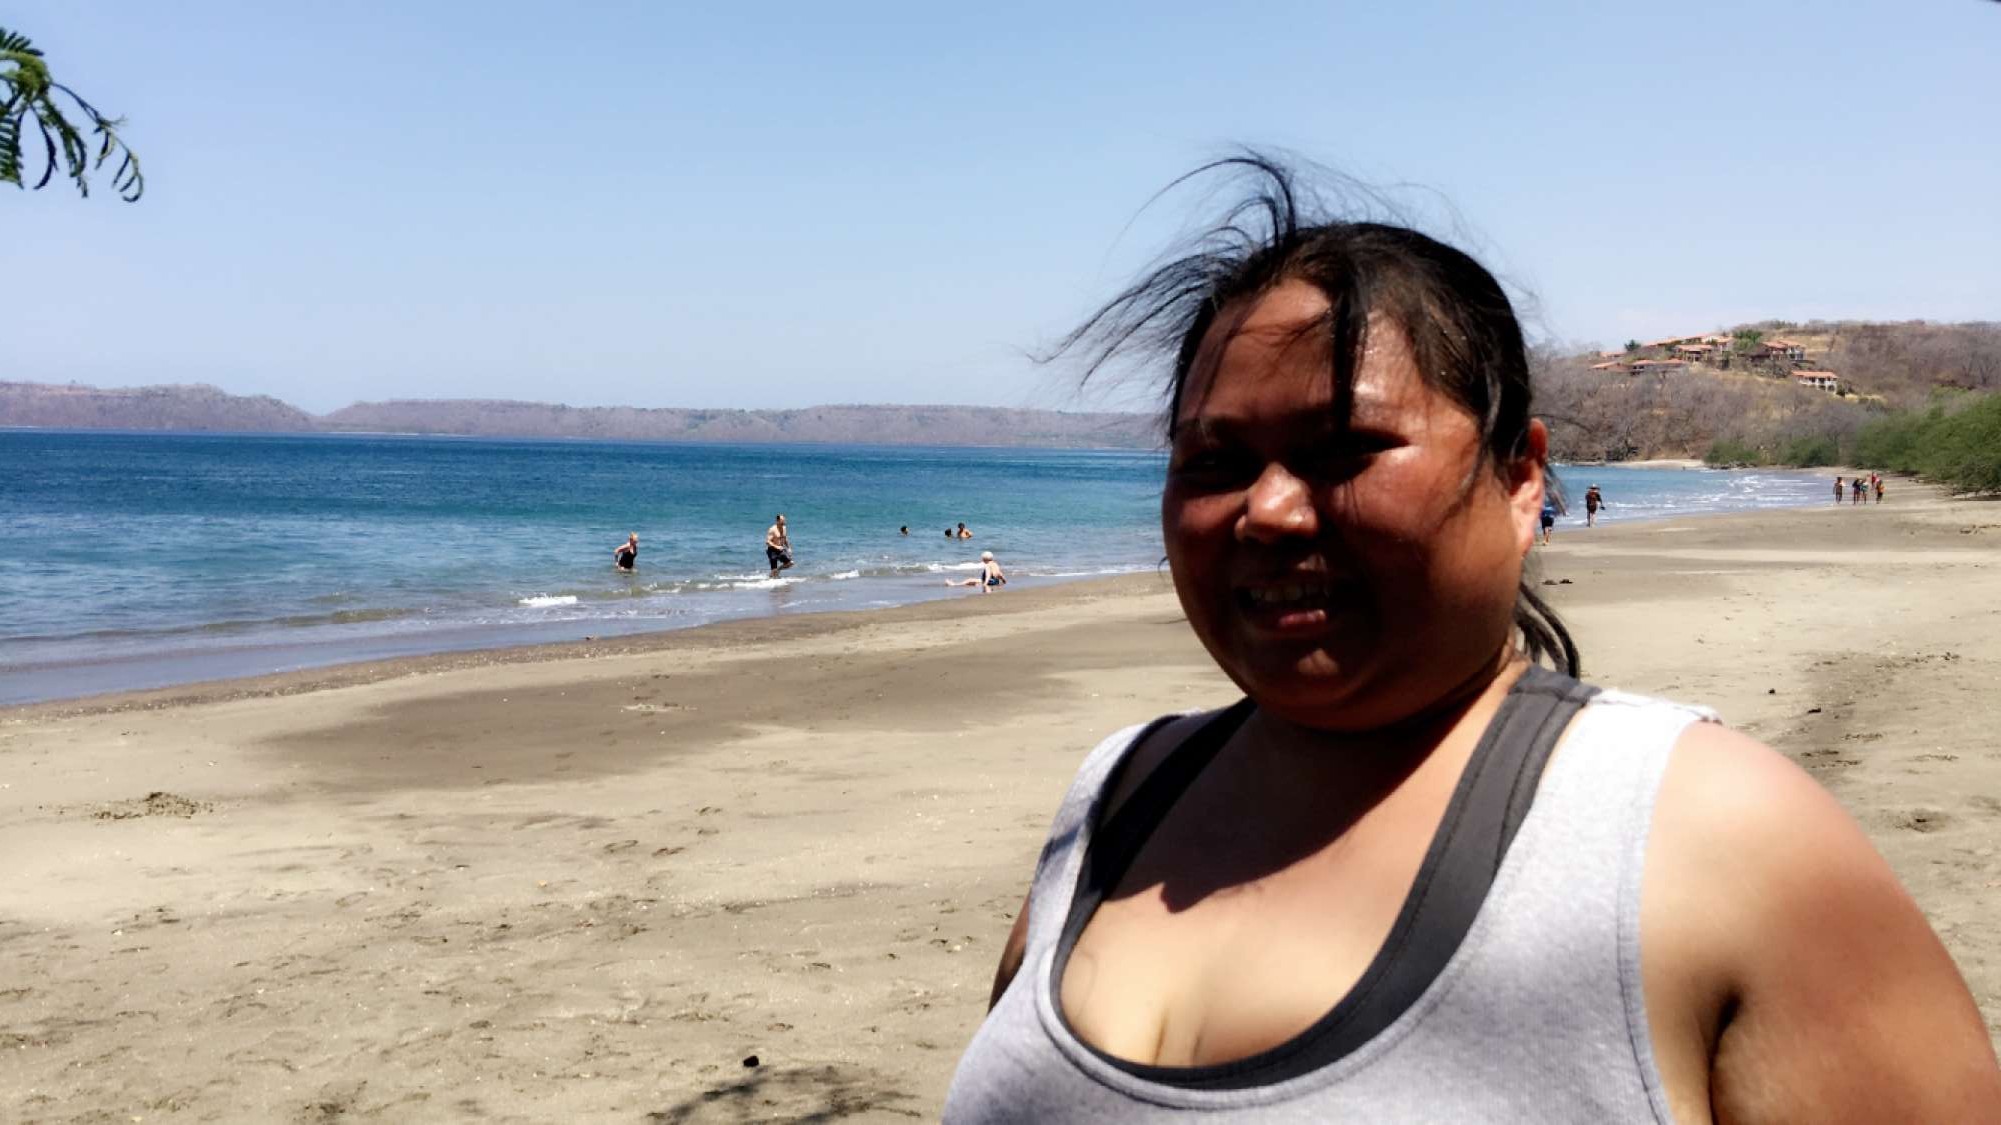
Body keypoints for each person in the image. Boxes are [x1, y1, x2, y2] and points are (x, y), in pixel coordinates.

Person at [946, 158, 1999, 1121]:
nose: (1266, 511)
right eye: (1213, 463)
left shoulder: (1721, 842)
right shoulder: (1118, 797)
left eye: (1343, 448)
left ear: (1520, 476)